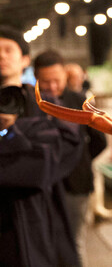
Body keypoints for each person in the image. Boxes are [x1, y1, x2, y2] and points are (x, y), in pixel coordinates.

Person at [0, 25, 83, 266]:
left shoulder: (50, 107)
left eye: (8, 49)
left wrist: (11, 132)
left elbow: (50, 163)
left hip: (42, 222)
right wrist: (32, 138)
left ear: (25, 59)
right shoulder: (46, 118)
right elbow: (41, 158)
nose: (1, 56)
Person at [34, 49, 107, 266]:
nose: (52, 87)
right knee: (45, 241)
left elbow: (100, 140)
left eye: (57, 80)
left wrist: (79, 159)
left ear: (65, 76)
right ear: (36, 78)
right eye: (45, 82)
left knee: (74, 242)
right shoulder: (32, 105)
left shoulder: (79, 101)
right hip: (43, 186)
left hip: (76, 185)